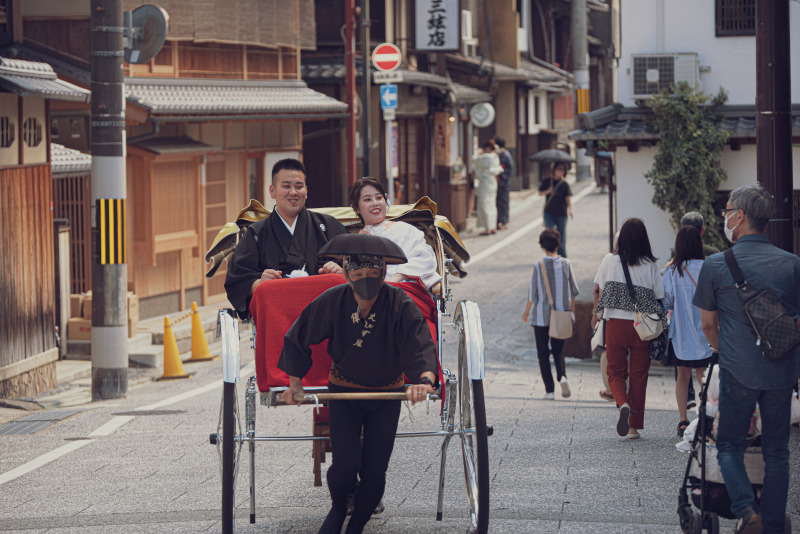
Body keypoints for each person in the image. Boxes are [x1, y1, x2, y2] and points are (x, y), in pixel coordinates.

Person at [278, 233, 438, 534]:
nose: (367, 279)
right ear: (348, 274)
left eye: (374, 274)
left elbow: (420, 343)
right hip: (344, 393)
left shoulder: (399, 302)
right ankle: (339, 508)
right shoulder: (333, 300)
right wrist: (295, 384)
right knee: (345, 465)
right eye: (359, 274)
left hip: (387, 394)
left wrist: (424, 381)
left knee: (375, 470)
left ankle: (358, 524)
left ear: (382, 274)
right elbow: (299, 336)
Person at [693, 184, 800, 534]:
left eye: (726, 210)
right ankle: (771, 525)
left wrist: (725, 349)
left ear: (738, 216)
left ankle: (745, 510)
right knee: (777, 451)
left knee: (728, 444)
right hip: (781, 371)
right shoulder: (792, 264)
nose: (724, 217)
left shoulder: (716, 265)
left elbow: (708, 324)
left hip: (737, 370)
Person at [224, 158, 347, 316]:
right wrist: (260, 283)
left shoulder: (328, 226)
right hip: (279, 314)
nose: (293, 192)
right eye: (286, 186)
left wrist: (341, 271)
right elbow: (237, 280)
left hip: (325, 313)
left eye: (299, 186)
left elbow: (356, 264)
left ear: (306, 190)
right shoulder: (256, 234)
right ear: (272, 191)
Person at [591, 218, 665, 439]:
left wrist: (596, 316)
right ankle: (633, 427)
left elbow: (598, 290)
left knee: (615, 372)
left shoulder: (609, 260)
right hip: (642, 328)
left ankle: (622, 403)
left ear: (621, 237)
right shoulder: (651, 265)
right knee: (639, 376)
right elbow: (660, 297)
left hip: (615, 325)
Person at [662, 226, 712, 437]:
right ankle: (706, 417)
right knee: (704, 375)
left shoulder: (672, 270)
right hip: (705, 330)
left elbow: (668, 301)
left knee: (683, 376)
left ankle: (683, 421)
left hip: (681, 332)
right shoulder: (709, 267)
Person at [350, 177, 441, 290]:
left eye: (379, 198)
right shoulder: (354, 243)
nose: (375, 203)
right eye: (367, 199)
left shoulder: (406, 230)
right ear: (356, 208)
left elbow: (426, 258)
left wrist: (399, 276)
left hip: (405, 290)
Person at [522, 228, 579, 400]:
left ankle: (550, 390)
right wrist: (572, 313)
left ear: (542, 246)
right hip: (561, 315)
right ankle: (562, 376)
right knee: (558, 351)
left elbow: (533, 294)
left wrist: (526, 313)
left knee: (542, 353)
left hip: (541, 317)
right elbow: (573, 292)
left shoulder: (538, 266)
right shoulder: (566, 264)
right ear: (558, 244)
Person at [538, 161, 573, 257]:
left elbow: (568, 197)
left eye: (563, 170)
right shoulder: (548, 181)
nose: (561, 172)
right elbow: (540, 193)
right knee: (549, 234)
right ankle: (550, 253)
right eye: (559, 169)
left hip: (561, 212)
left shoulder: (564, 184)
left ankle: (562, 255)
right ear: (554, 170)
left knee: (561, 235)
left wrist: (570, 209)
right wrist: (548, 191)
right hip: (549, 211)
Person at [471, 139, 504, 235]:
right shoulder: (495, 157)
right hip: (493, 182)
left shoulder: (486, 157)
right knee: (492, 204)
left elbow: (473, 159)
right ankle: (493, 226)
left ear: (488, 148)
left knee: (485, 204)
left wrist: (477, 152)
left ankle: (488, 228)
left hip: (485, 183)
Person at [493, 136, 514, 231]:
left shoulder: (506, 155)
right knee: (497, 202)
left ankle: (504, 221)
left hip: (503, 182)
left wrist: (501, 175)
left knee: (504, 202)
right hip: (497, 181)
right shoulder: (497, 155)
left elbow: (510, 169)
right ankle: (497, 221)